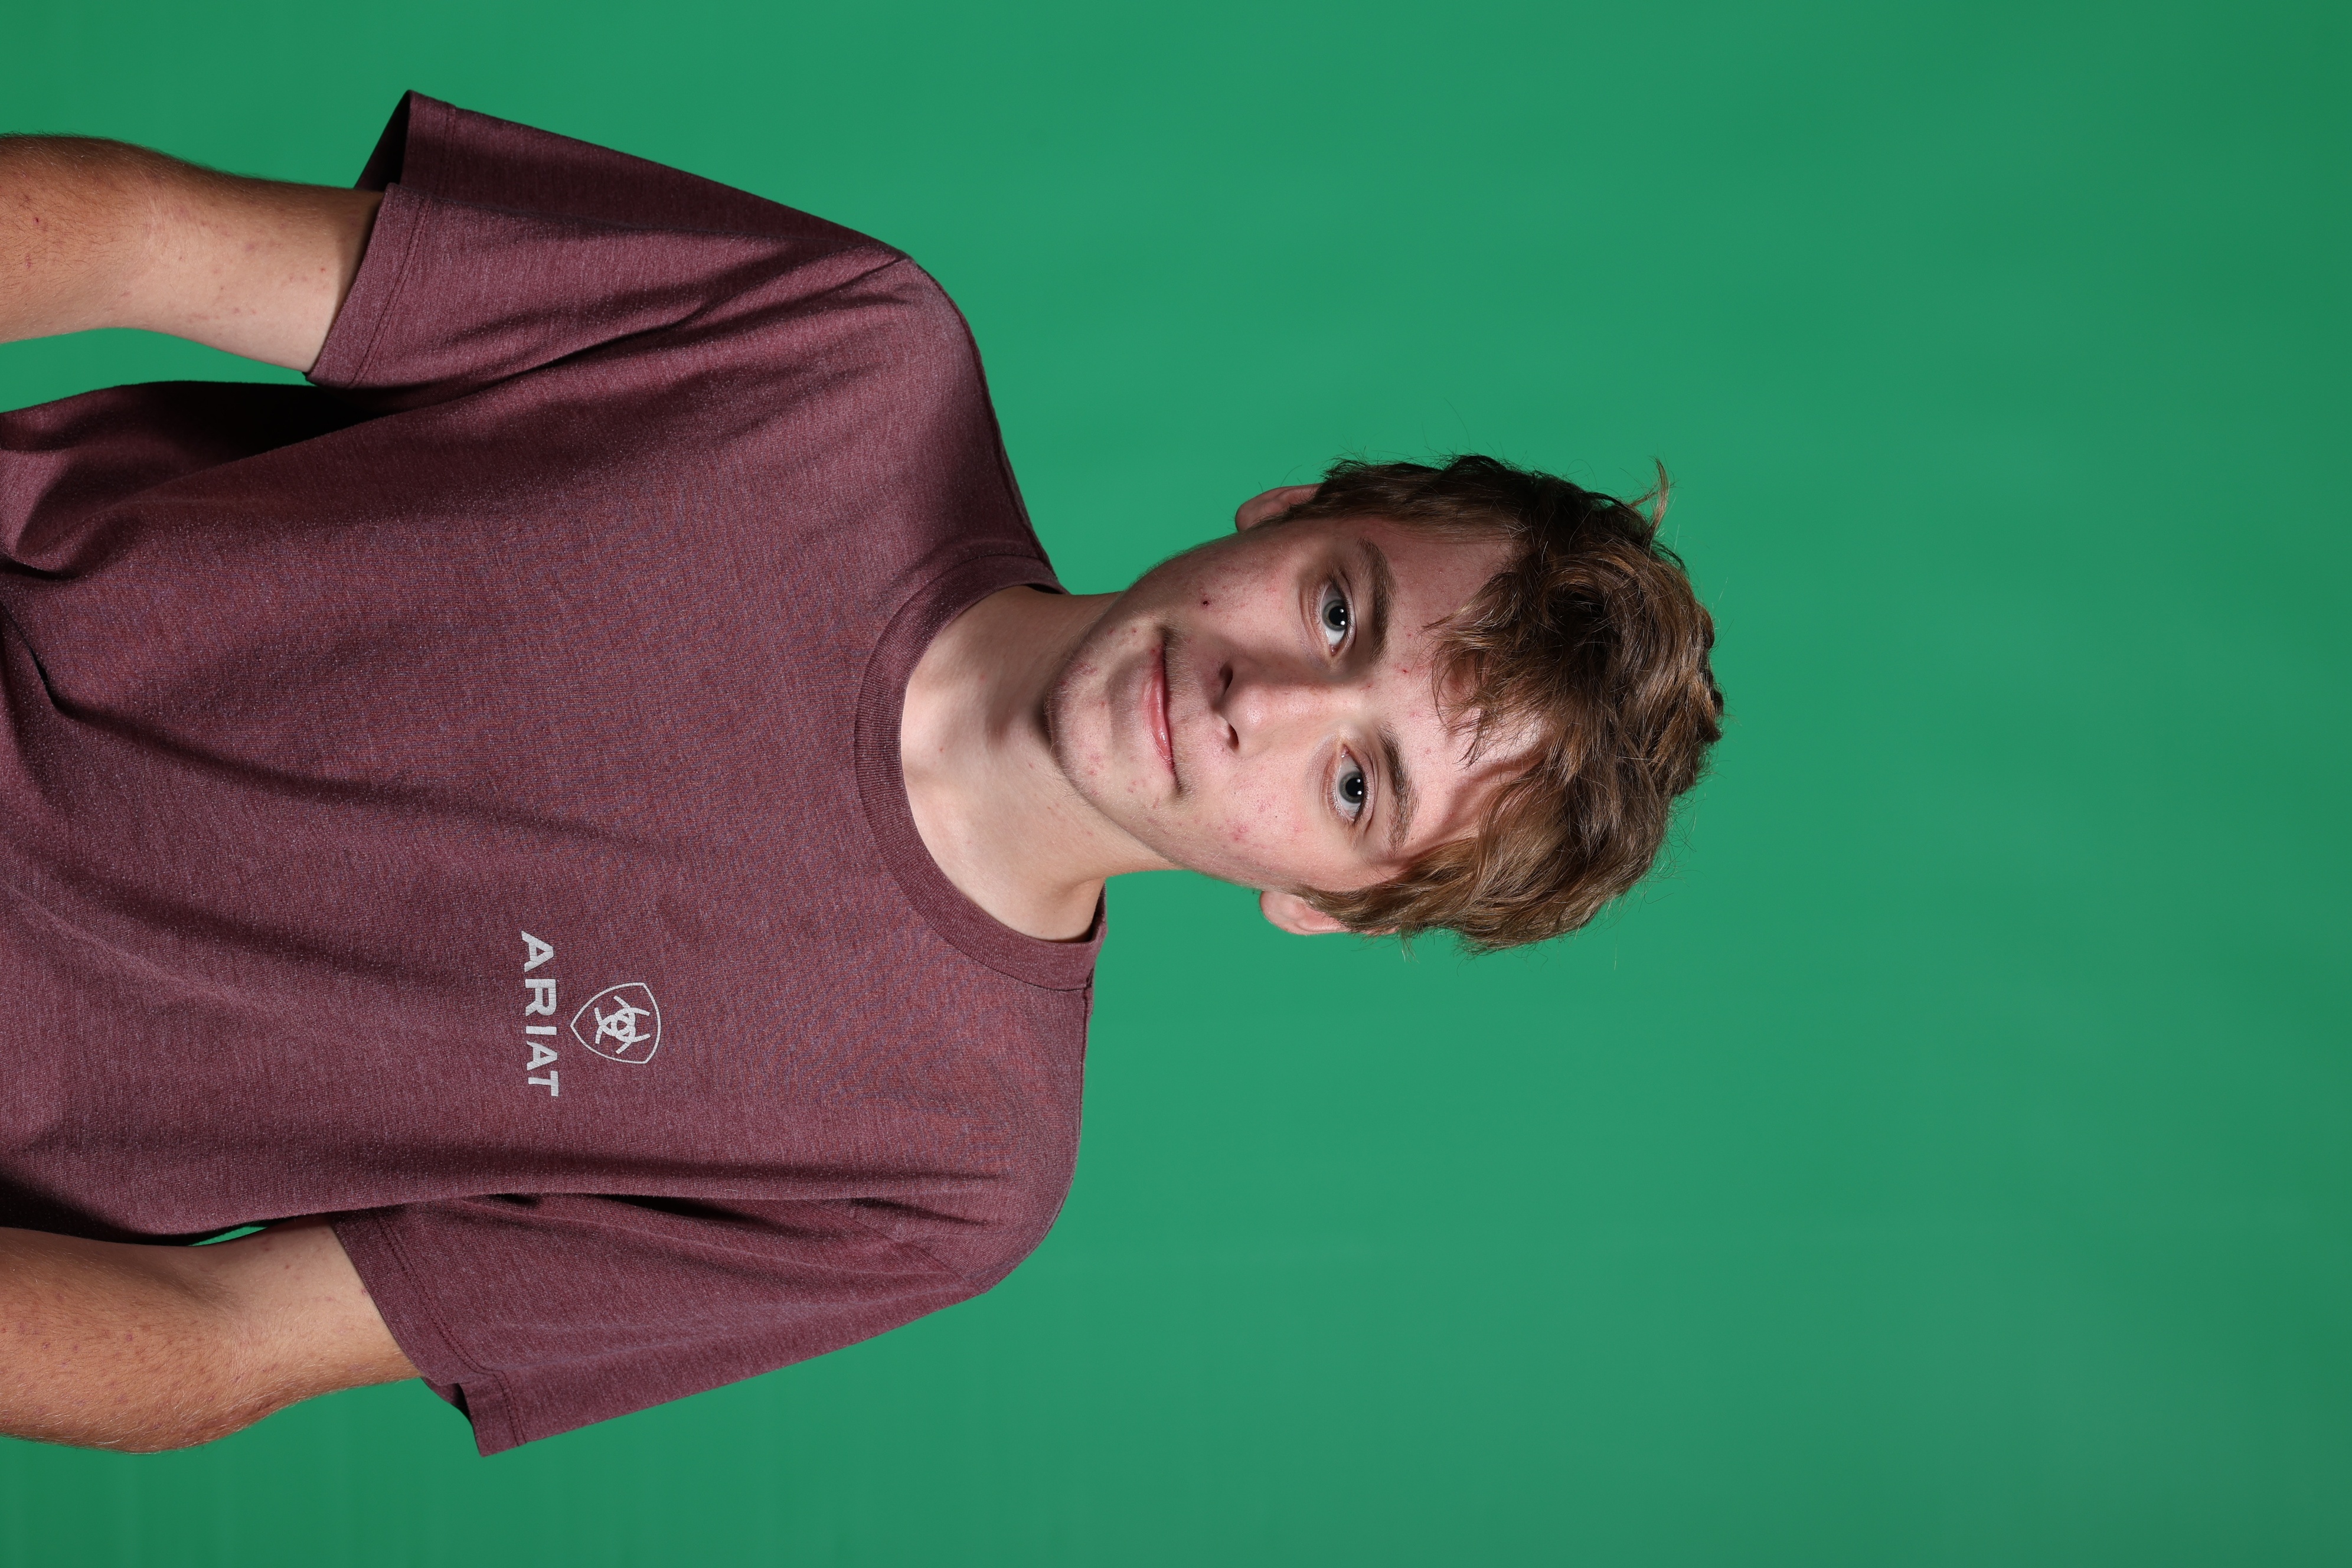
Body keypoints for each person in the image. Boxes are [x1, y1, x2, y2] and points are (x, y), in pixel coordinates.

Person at [0, 95, 1723, 1455]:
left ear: (1328, 907)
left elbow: (221, 1346)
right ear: (1290, 512)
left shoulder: (949, 1176)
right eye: (1338, 611)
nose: (1260, 702)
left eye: (1358, 789)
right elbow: (149, 234)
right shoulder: (851, 349)